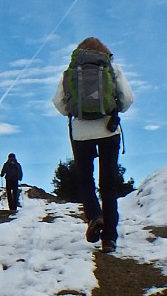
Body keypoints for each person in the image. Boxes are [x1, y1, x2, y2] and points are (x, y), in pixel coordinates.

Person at [52, 37, 135, 253]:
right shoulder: (111, 68)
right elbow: (127, 99)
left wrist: (74, 113)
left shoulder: (70, 71)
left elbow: (58, 103)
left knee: (85, 180)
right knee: (108, 183)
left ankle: (94, 216)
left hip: (80, 132)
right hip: (109, 128)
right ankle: (109, 239)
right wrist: (114, 109)